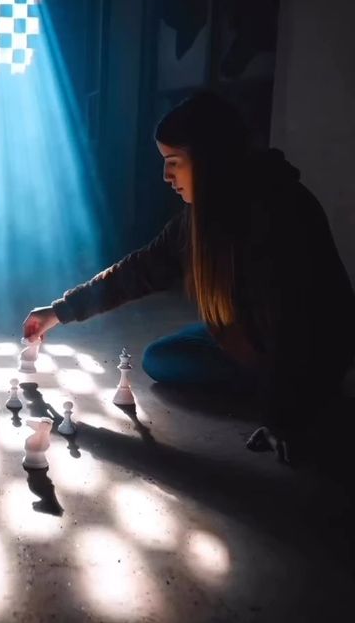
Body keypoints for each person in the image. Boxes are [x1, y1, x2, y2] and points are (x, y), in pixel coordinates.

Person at [23, 90, 355, 465]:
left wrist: (283, 419)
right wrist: (60, 310)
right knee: (163, 359)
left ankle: (302, 395)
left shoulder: (279, 214)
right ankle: (274, 384)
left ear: (210, 160)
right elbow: (140, 270)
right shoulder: (204, 215)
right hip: (253, 334)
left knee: (215, 365)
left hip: (311, 349)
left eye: (174, 162)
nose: (166, 176)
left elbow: (295, 325)